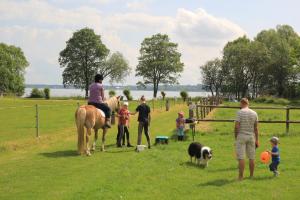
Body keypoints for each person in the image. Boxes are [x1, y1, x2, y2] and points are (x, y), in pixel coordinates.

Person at [234, 98, 259, 181]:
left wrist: (236, 137)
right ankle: (251, 175)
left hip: (241, 136)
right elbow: (256, 128)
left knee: (241, 157)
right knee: (252, 157)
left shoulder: (239, 112)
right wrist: (257, 140)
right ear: (248, 103)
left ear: (241, 103)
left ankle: (241, 177)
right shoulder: (254, 113)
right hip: (251, 136)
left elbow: (236, 126)